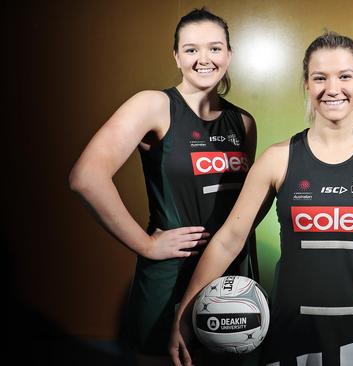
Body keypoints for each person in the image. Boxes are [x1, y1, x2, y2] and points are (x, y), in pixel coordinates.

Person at [169, 31, 353, 366]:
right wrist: (185, 311)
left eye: (345, 76)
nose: (333, 88)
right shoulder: (278, 158)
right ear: (307, 86)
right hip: (290, 333)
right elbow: (229, 240)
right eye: (320, 77)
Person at [69, 8, 257, 365]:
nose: (204, 59)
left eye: (215, 48)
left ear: (229, 55)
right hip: (171, 274)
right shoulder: (154, 105)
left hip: (230, 276)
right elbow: (86, 177)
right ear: (176, 56)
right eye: (191, 49)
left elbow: (240, 207)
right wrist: (146, 245)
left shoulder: (244, 122)